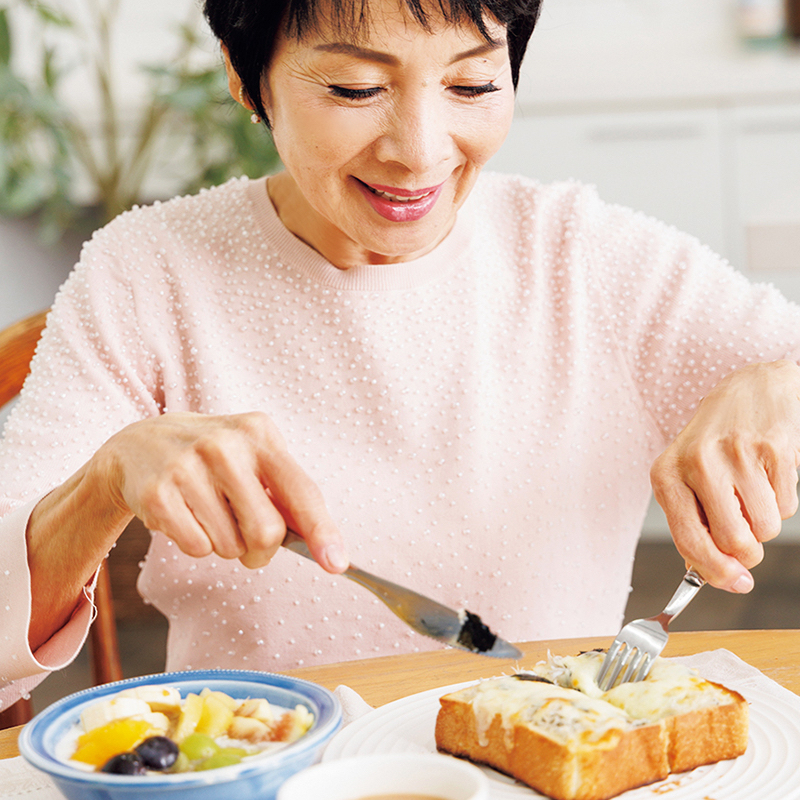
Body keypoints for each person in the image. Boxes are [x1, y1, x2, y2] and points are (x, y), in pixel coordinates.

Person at [2, 0, 800, 711]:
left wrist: (778, 382)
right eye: (355, 90)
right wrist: (107, 478)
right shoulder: (146, 272)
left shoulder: (583, 258)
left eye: (473, 86)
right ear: (250, 83)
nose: (418, 153)